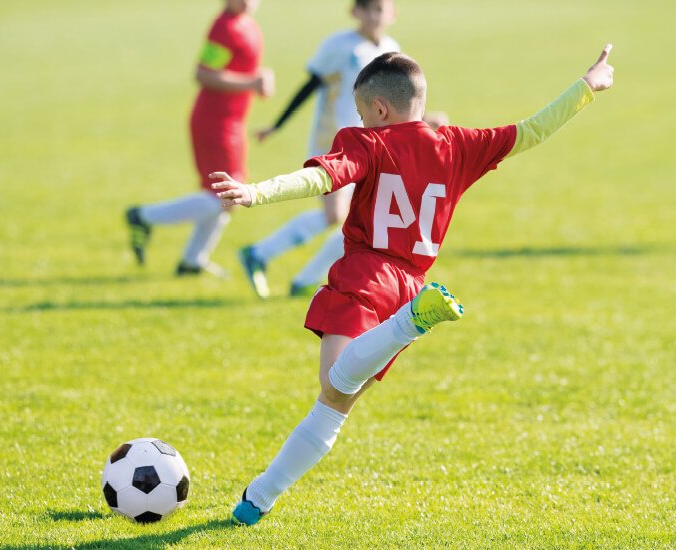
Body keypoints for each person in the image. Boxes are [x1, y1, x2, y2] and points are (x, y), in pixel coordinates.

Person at [212, 47, 615, 524]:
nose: (361, 122)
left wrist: (256, 192)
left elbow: (322, 177)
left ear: (379, 109)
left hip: (366, 275)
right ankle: (257, 499)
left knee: (333, 383)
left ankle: (410, 324)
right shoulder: (459, 144)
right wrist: (587, 86)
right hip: (407, 283)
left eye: (363, 113)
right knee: (335, 404)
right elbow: (532, 130)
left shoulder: (368, 142)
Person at [238, 0, 448, 298]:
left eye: (380, 9)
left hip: (376, 145)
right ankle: (267, 258)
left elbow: (395, 104)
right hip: (337, 141)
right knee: (338, 215)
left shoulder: (391, 47)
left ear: (392, 13)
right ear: (355, 12)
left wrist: (424, 121)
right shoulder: (339, 46)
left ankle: (291, 271)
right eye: (369, 9)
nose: (375, 16)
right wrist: (277, 125)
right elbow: (309, 86)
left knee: (357, 218)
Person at [125, 0, 274, 275]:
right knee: (226, 196)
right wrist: (252, 83)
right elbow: (203, 73)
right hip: (214, 122)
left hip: (233, 122)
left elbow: (238, 69)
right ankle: (143, 216)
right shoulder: (225, 27)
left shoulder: (248, 24)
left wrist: (258, 80)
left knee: (227, 197)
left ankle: (192, 261)